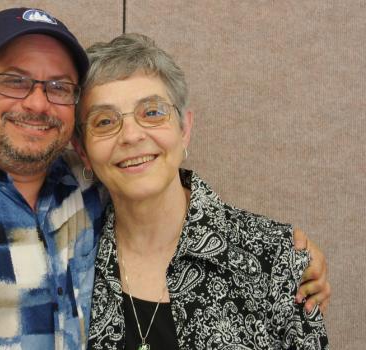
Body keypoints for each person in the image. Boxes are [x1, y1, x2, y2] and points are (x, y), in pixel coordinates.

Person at [0, 7, 329, 350]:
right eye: (14, 80)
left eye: (57, 87)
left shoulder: (80, 196)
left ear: (185, 127)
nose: (35, 102)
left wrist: (285, 252)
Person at [72, 33, 329, 349]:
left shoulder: (275, 260)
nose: (131, 136)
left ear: (184, 130)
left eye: (152, 112)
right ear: (83, 151)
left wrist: (294, 258)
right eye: (104, 121)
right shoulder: (68, 258)